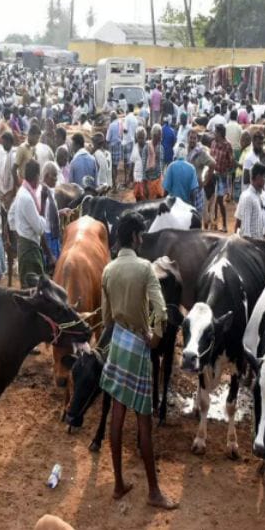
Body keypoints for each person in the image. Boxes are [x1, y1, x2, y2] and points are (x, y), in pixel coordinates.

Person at [100, 211, 178, 511]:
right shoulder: (145, 268)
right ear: (134, 237)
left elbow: (106, 318)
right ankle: (154, 492)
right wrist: (155, 338)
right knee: (143, 420)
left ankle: (119, 484)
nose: (142, 239)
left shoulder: (108, 270)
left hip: (119, 341)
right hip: (138, 344)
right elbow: (162, 312)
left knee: (117, 414)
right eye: (141, 235)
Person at [8, 159, 49, 288]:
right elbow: (40, 229)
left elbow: (11, 216)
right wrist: (42, 202)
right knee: (34, 291)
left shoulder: (22, 191)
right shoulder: (27, 198)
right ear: (37, 176)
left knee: (28, 289)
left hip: (24, 245)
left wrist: (19, 232)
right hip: (30, 249)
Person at [235, 163, 265, 241]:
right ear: (257, 177)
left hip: (262, 243)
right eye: (264, 177)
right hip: (250, 245)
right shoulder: (247, 197)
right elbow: (245, 232)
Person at [187, 129, 215, 228]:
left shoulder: (200, 152)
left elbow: (213, 164)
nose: (192, 140)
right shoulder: (183, 151)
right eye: (191, 138)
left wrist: (205, 181)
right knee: (186, 217)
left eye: (194, 138)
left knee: (197, 218)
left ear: (197, 140)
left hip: (197, 190)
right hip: (186, 190)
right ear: (187, 138)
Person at [209, 124, 234, 232]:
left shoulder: (228, 145)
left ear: (220, 133)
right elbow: (210, 157)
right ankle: (214, 222)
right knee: (212, 200)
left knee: (219, 200)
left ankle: (224, 225)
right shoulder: (213, 143)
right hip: (212, 175)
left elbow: (231, 161)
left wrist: (225, 171)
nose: (214, 133)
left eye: (216, 132)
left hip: (221, 176)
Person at [131, 127, 156, 201]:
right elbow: (132, 162)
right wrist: (130, 175)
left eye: (142, 138)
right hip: (137, 177)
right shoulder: (135, 146)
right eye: (139, 138)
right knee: (137, 196)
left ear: (145, 137)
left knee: (146, 196)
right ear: (136, 138)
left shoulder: (149, 146)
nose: (140, 140)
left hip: (146, 177)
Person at [106, 112, 123, 189]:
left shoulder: (111, 125)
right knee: (116, 166)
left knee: (112, 166)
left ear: (111, 118)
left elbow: (107, 139)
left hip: (112, 147)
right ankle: (115, 183)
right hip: (119, 146)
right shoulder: (120, 123)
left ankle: (114, 185)